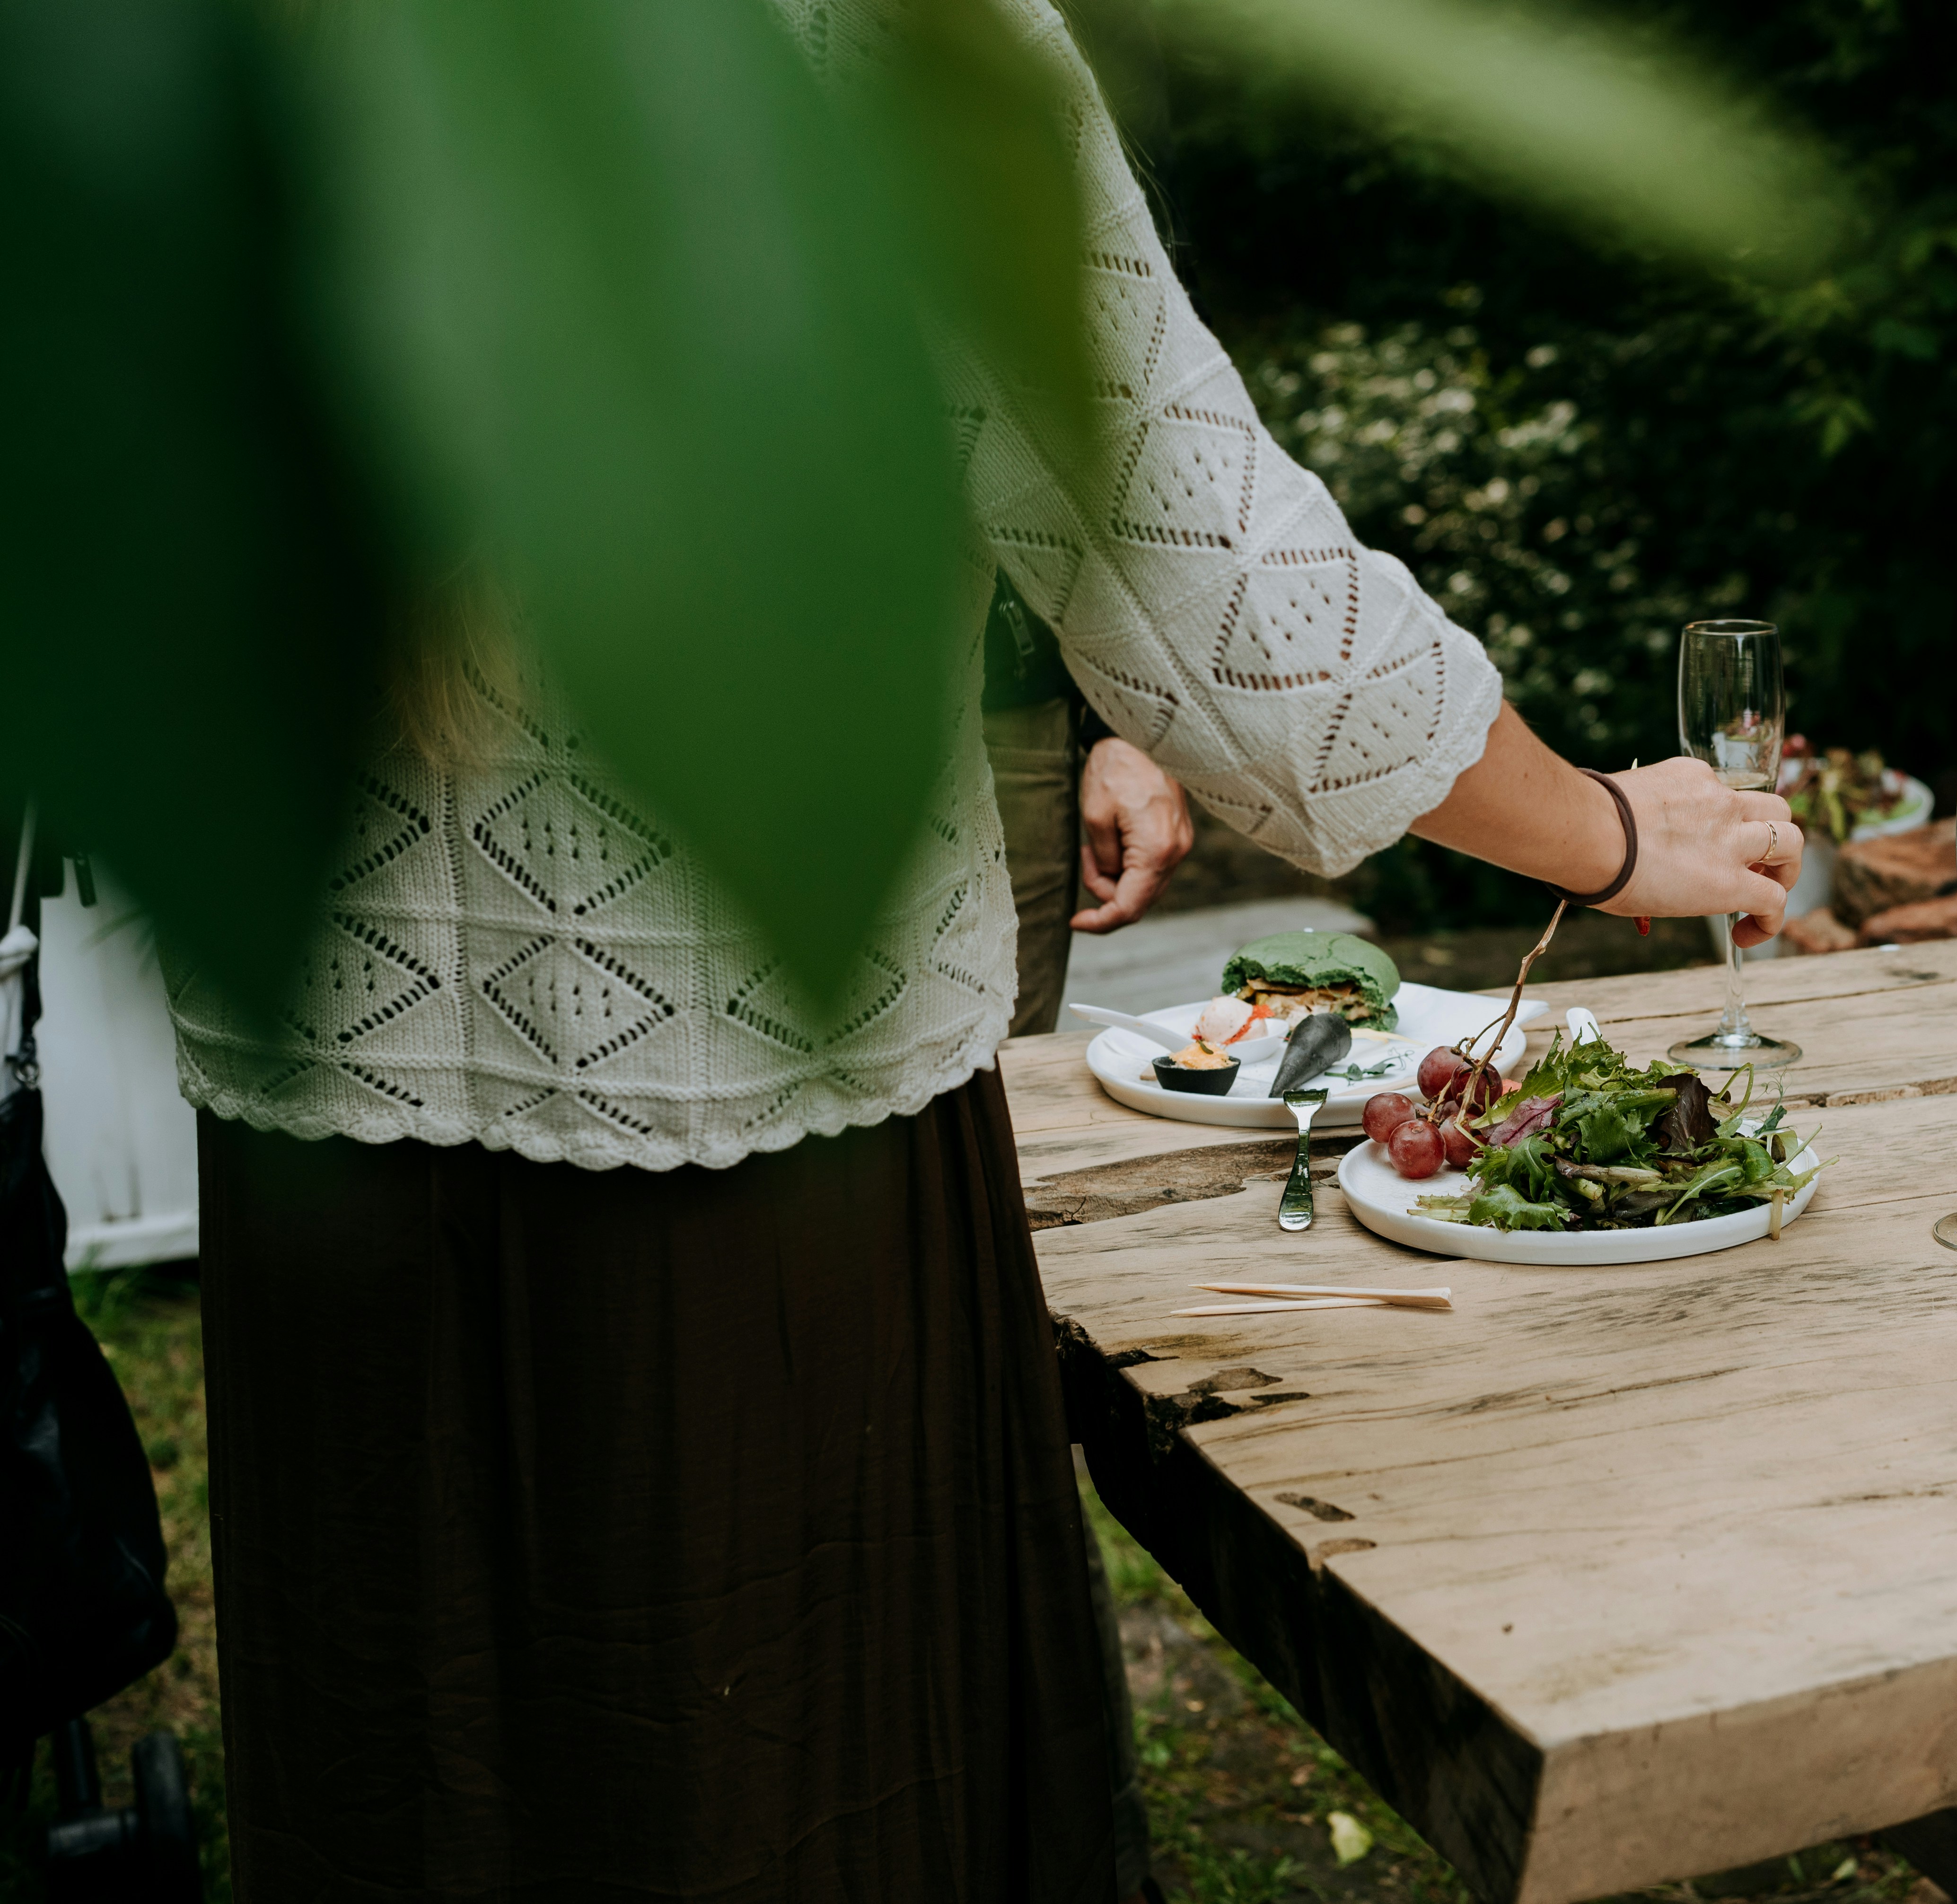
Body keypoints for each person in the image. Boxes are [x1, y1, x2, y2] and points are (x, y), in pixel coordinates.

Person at [169, 4, 1803, 1903]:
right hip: (742, 1117)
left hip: (320, 1101)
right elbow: (1212, 582)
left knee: (414, 1777)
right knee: (783, 1792)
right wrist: (1607, 831)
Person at [982, 573, 1197, 1038]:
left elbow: (1127, 508)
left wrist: (1126, 722)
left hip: (1004, 711)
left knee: (1003, 1064)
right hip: (794, 704)